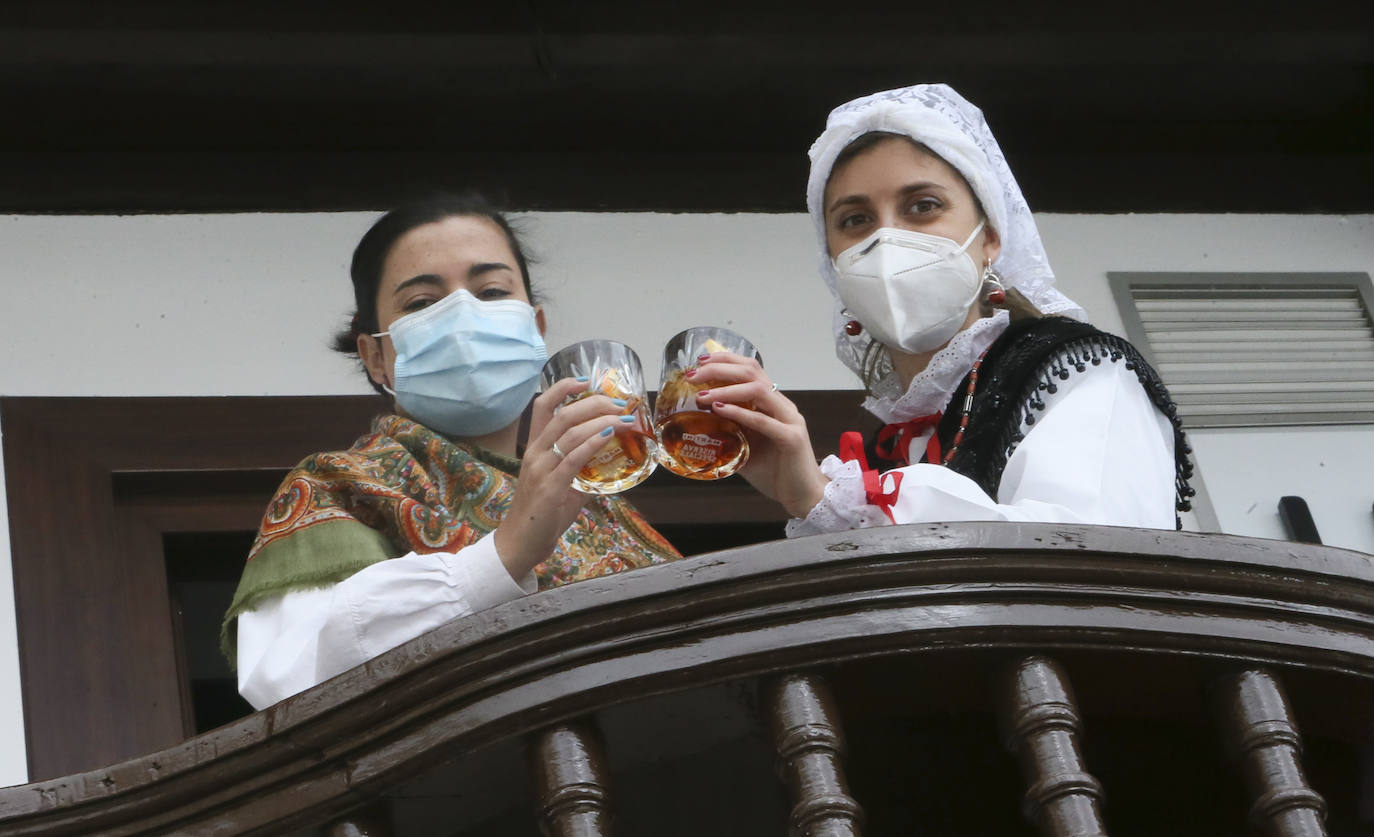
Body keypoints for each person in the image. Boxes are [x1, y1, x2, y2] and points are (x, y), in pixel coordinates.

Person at [222, 193, 680, 709]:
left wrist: (795, 511)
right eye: (421, 304)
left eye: (491, 291)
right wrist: (505, 556)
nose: (464, 314)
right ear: (375, 356)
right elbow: (290, 674)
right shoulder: (340, 487)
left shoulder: (603, 501)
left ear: (536, 326)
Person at [692, 83, 1193, 533]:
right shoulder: (888, 444)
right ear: (833, 263)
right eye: (856, 218)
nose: (887, 238)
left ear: (990, 240)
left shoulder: (1079, 371)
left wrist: (827, 499)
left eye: (922, 206)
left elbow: (1085, 560)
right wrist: (803, 492)